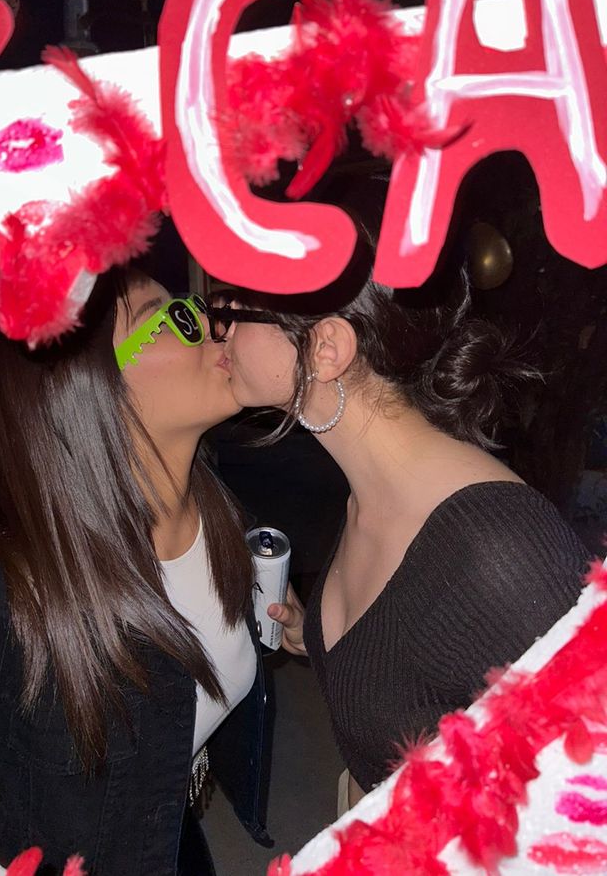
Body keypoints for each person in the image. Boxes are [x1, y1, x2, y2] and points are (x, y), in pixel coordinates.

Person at [0, 268, 271, 875]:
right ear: (88, 389)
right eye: (174, 317)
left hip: (166, 837)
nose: (213, 325)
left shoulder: (216, 512)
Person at [208, 236, 592, 814]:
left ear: (327, 347)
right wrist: (324, 636)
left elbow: (583, 809)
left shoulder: (501, 553)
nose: (222, 329)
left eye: (237, 311)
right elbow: (426, 655)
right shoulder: (371, 492)